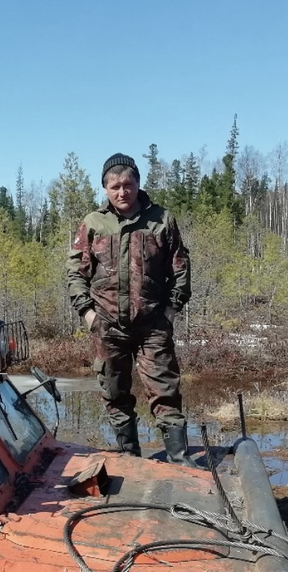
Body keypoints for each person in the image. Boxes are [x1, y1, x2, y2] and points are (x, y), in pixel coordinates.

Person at [66, 152, 195, 466]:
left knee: (165, 391)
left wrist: (170, 311)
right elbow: (75, 272)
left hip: (153, 324)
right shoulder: (93, 223)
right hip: (107, 326)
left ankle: (179, 461)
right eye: (114, 186)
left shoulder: (161, 219)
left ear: (138, 184)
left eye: (128, 184)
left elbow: (180, 268)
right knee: (115, 394)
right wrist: (88, 313)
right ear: (105, 189)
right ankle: (130, 459)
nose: (122, 192)